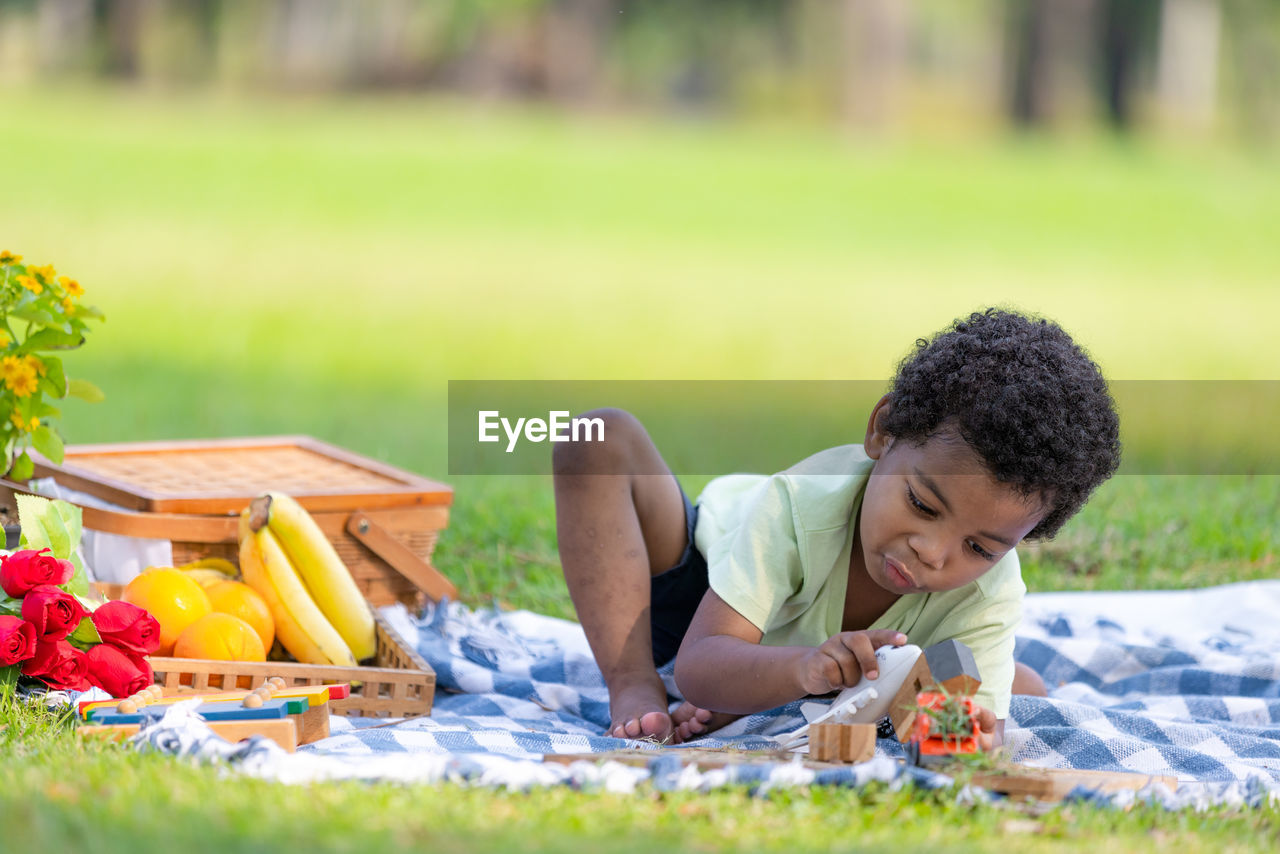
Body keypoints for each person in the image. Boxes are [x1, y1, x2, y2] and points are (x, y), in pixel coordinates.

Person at [553, 308, 1120, 746]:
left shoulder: (989, 590)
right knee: (598, 437)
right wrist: (805, 666)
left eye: (979, 546)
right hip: (703, 598)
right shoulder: (799, 504)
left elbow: (964, 736)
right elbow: (701, 666)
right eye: (923, 504)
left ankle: (756, 698)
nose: (932, 552)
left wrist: (968, 734)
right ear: (884, 430)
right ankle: (634, 683)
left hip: (861, 666)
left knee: (1018, 692)